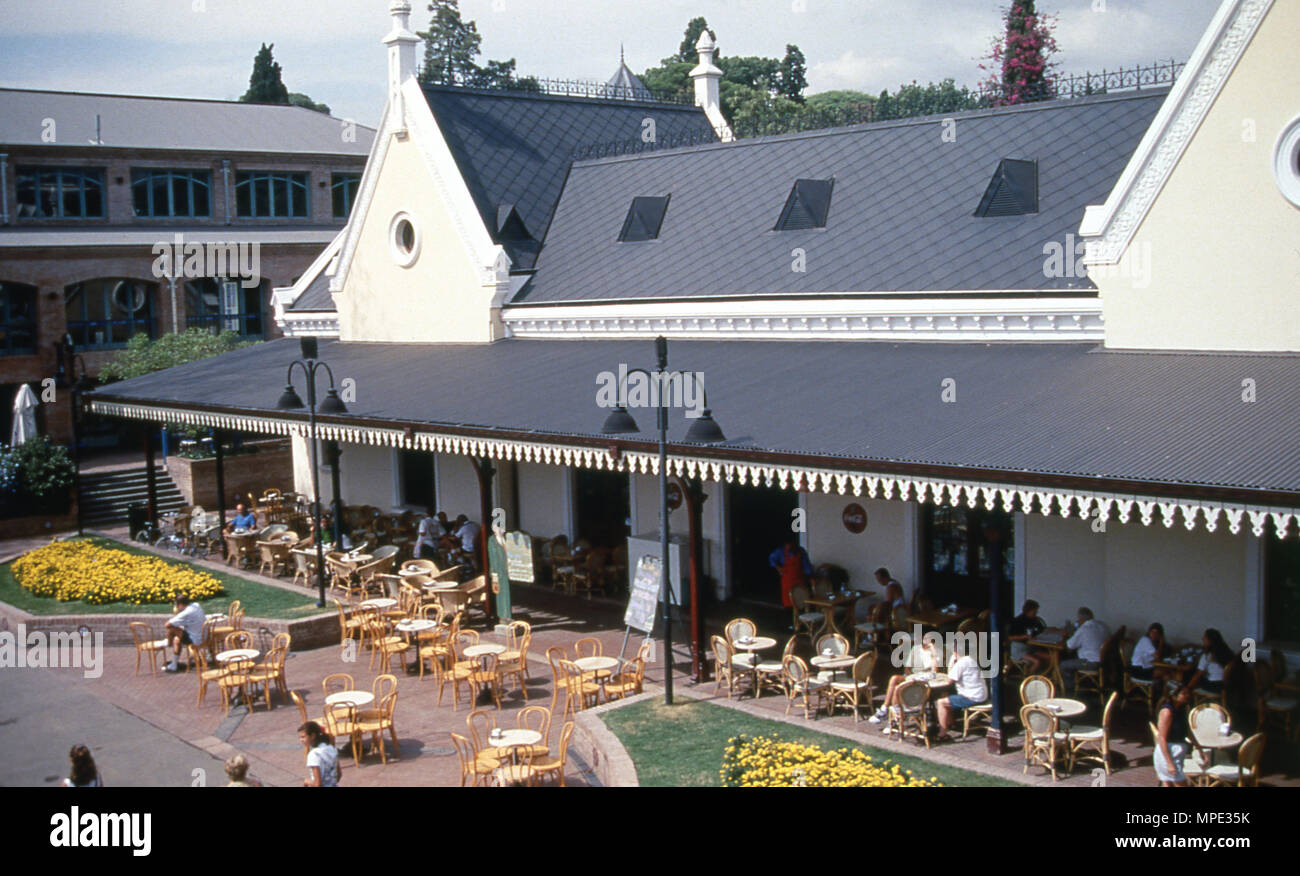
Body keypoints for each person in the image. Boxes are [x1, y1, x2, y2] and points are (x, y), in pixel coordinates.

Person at [871, 637, 939, 728]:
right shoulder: (916, 649)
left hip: (923, 681)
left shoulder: (935, 654)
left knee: (897, 689)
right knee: (894, 678)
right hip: (912, 677)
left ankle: (894, 721)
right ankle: (884, 708)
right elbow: (907, 668)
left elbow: (935, 671)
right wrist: (910, 677)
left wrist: (934, 653)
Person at [935, 637, 989, 742]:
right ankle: (951, 724)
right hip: (980, 694)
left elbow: (949, 680)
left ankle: (942, 734)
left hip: (972, 697)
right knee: (944, 695)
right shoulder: (971, 659)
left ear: (955, 652)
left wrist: (952, 660)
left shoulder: (961, 663)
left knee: (941, 702)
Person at [1153, 683, 1195, 787]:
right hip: (1168, 753)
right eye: (1183, 693)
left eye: (1187, 693)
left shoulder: (1183, 709)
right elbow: (1161, 738)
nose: (1187, 695)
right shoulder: (1167, 712)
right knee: (1180, 784)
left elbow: (1188, 731)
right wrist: (1169, 763)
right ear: (1173, 695)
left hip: (1177, 753)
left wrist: (1198, 747)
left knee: (1167, 784)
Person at [1060, 607, 1108, 691]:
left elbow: (1070, 646)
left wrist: (1065, 636)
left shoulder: (1084, 629)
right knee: (1073, 656)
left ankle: (1069, 690)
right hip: (1105, 660)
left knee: (1063, 665)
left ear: (1081, 619)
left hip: (1091, 662)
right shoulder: (1102, 625)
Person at [768, 537, 813, 613]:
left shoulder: (801, 551)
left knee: (801, 601)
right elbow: (771, 558)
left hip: (800, 580)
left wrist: (811, 577)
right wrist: (778, 567)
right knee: (788, 603)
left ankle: (802, 620)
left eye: (790, 546)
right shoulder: (780, 551)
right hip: (787, 581)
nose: (788, 547)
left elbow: (807, 567)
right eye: (786, 545)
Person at [163, 594, 206, 672]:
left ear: (180, 604)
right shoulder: (196, 605)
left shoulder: (185, 613)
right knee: (177, 640)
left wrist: (177, 615)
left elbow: (167, 625)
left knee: (172, 629)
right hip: (204, 635)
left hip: (195, 639)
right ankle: (174, 664)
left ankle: (168, 643)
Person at [1187, 628, 1233, 695]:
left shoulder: (1208, 655)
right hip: (1227, 684)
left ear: (1210, 641)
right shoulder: (1227, 651)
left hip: (1214, 686)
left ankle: (1185, 696)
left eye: (1205, 638)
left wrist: (1188, 687)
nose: (1202, 639)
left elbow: (1198, 675)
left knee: (1191, 675)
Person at [1008, 599, 1049, 674]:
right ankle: (1029, 679)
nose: (1036, 613)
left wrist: (1055, 630)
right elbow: (1010, 637)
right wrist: (1024, 637)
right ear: (1029, 611)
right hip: (1019, 649)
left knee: (1049, 657)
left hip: (1031, 648)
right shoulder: (1017, 621)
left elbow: (1043, 630)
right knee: (1037, 662)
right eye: (1035, 611)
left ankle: (1045, 676)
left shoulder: (1035, 620)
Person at [299, 722, 339, 787]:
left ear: (312, 736)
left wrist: (306, 782)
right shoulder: (331, 748)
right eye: (300, 737)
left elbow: (318, 784)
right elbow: (339, 775)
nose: (301, 740)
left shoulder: (313, 755)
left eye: (303, 737)